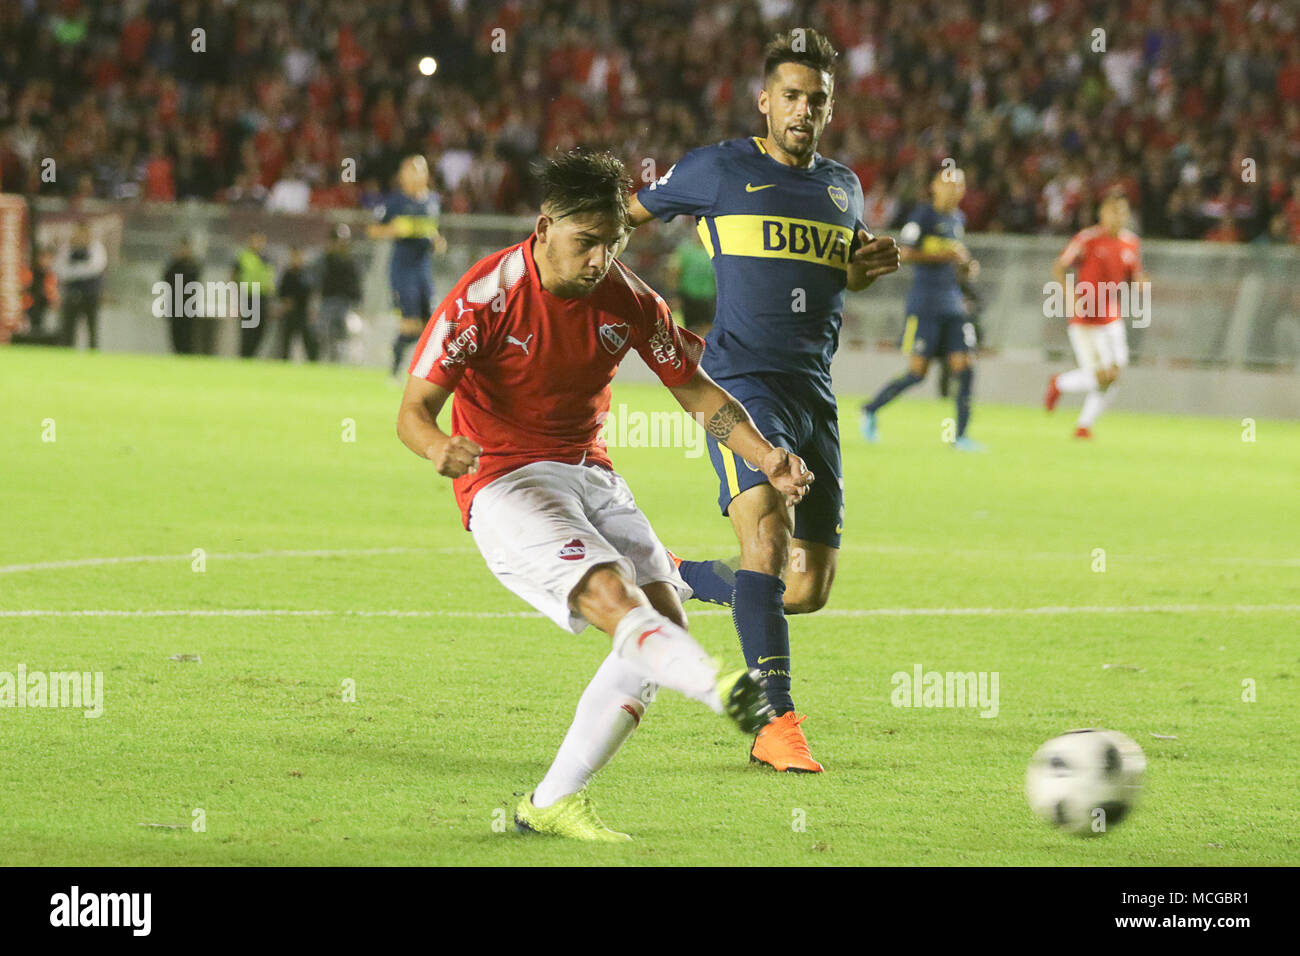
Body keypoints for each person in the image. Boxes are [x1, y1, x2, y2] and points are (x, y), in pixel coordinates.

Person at [397, 150, 814, 840]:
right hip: (504, 478)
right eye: (584, 242)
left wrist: (766, 455)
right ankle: (725, 692)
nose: (598, 259)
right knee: (613, 601)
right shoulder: (486, 295)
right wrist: (438, 446)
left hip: (588, 471)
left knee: (662, 622)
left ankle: (553, 800)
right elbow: (413, 409)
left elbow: (695, 390)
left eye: (612, 243)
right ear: (544, 226)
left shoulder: (629, 299)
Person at [624, 29, 900, 773]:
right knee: (768, 548)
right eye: (790, 96)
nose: (803, 110)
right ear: (764, 100)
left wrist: (868, 266)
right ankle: (775, 725)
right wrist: (573, 270)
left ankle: (678, 575)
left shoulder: (844, 188)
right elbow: (627, 213)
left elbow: (844, 276)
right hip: (741, 384)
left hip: (815, 392)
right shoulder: (718, 168)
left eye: (816, 100)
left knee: (805, 590)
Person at [860, 166, 983, 450]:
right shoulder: (922, 216)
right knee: (918, 373)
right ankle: (870, 409)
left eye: (958, 185)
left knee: (966, 368)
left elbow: (953, 262)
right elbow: (904, 252)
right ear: (934, 186)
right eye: (947, 183)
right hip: (925, 303)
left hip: (953, 304)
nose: (953, 189)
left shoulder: (958, 220)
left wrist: (965, 268)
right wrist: (945, 256)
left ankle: (960, 436)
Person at [1044, 190, 1148, 438]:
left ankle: (1083, 426)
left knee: (1114, 375)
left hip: (1111, 318)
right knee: (1100, 377)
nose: (1118, 216)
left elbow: (1133, 276)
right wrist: (1070, 296)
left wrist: (1141, 283)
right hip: (1085, 319)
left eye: (1123, 211)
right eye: (1113, 210)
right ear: (1102, 213)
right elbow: (1059, 268)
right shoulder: (1087, 239)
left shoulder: (1131, 243)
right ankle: (1059, 383)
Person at [368, 155, 447, 377]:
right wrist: (392, 230)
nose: (415, 174)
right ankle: (395, 366)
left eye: (419, 169)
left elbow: (432, 232)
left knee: (430, 325)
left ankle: (415, 368)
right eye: (410, 170)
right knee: (410, 325)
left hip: (423, 269)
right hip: (402, 270)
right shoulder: (395, 202)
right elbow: (373, 230)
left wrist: (437, 242)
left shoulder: (433, 201)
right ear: (402, 176)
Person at [56, 223, 108, 349]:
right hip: (71, 293)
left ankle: (92, 351)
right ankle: (66, 351)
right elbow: (60, 269)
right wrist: (79, 271)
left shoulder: (96, 248)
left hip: (90, 294)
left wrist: (74, 271)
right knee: (68, 327)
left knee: (92, 327)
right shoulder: (67, 248)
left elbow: (96, 267)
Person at [318, 223, 363, 362]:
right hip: (328, 301)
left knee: (343, 337)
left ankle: (339, 362)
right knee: (326, 335)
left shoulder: (351, 262)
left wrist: (358, 304)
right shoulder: (325, 260)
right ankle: (327, 361)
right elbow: (317, 281)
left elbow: (355, 285)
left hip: (345, 304)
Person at [234, 232, 276, 358]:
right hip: (248, 298)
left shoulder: (267, 259)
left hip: (263, 298)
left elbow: (270, 279)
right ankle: (245, 357)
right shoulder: (244, 257)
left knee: (260, 332)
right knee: (248, 332)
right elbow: (233, 277)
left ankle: (251, 357)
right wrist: (235, 301)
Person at [160, 237, 202, 354]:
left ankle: (187, 353)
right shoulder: (174, 264)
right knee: (175, 332)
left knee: (187, 332)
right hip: (174, 303)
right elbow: (165, 279)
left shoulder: (193, 264)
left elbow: (195, 279)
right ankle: (177, 353)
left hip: (188, 304)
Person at [276, 246, 318, 361]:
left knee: (309, 341)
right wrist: (285, 303)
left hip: (303, 312)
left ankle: (313, 363)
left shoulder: (306, 274)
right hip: (289, 313)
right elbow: (281, 292)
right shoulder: (287, 274)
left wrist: (312, 309)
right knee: (285, 342)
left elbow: (311, 292)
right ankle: (284, 362)